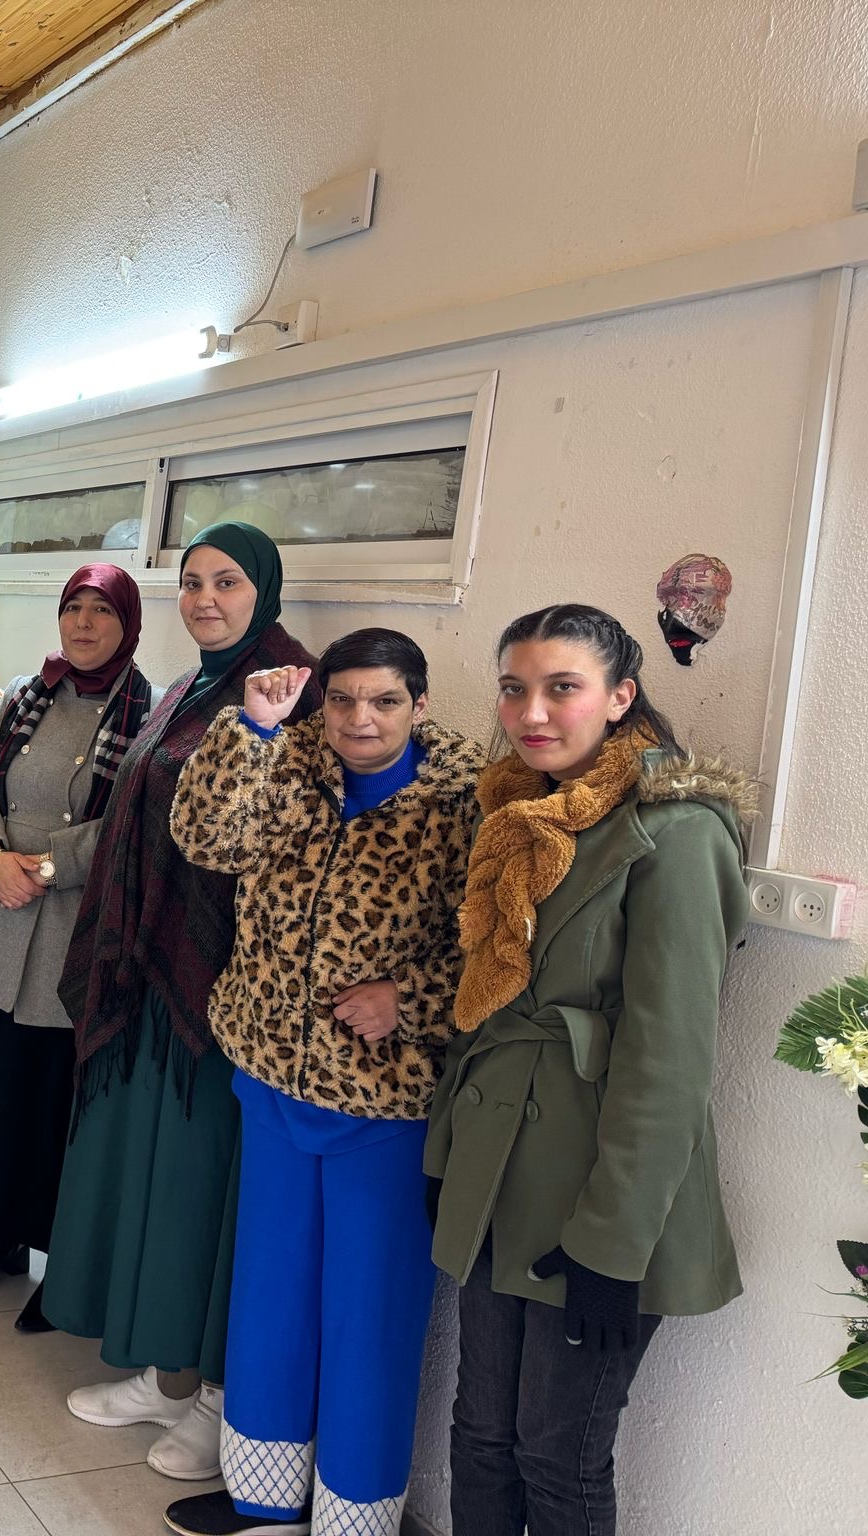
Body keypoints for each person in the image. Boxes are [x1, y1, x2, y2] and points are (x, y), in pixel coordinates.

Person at [426, 604, 748, 1536]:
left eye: (562, 687)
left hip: (599, 1197)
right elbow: (484, 1003)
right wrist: (448, 1154)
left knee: (558, 1459)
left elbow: (667, 1062)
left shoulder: (676, 831)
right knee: (480, 1436)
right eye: (514, 688)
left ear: (620, 696)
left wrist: (612, 1246)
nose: (531, 712)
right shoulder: (514, 818)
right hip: (497, 1177)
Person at [162, 630, 480, 1536]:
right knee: (271, 1297)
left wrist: (407, 1000)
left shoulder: (467, 802)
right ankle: (262, 1496)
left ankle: (353, 1517)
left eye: (383, 701)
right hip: (271, 1080)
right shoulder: (288, 761)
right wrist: (253, 730)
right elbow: (203, 838)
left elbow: (498, 953)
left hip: (384, 1107)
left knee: (367, 1320)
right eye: (342, 699)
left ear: (419, 704)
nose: (359, 719)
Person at [49, 526, 321, 1474]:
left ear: (265, 590)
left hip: (224, 997)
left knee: (209, 1198)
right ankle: (165, 1375)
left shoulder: (293, 690)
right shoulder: (189, 688)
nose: (206, 598)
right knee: (158, 1187)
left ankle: (217, 1399)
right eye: (193, 581)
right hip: (153, 981)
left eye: (228, 582)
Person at [0, 564, 156, 1330]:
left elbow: (131, 823)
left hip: (72, 933)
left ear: (128, 624)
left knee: (55, 1107)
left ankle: (56, 1262)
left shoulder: (145, 711)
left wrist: (52, 866)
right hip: (3, 916)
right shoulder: (28, 695)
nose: (84, 624)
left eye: (102, 611)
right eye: (74, 609)